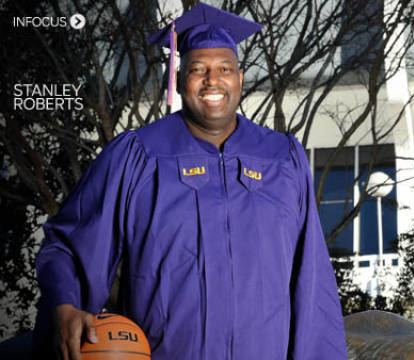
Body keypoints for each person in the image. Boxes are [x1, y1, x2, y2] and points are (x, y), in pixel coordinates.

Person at [33, 4, 347, 360]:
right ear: (181, 79)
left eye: (224, 69)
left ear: (240, 79)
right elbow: (71, 245)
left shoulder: (282, 159)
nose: (213, 80)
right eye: (198, 69)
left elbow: (312, 281)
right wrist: (65, 303)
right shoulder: (137, 156)